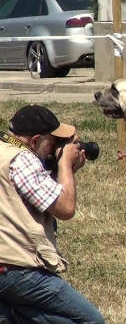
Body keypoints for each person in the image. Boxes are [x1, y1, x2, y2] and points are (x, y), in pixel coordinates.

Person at [0, 105, 105, 324]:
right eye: (54, 142)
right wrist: (65, 164)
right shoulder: (22, 159)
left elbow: (33, 195)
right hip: (17, 269)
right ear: (35, 141)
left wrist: (58, 170)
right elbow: (65, 209)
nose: (55, 148)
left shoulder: (4, 151)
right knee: (90, 320)